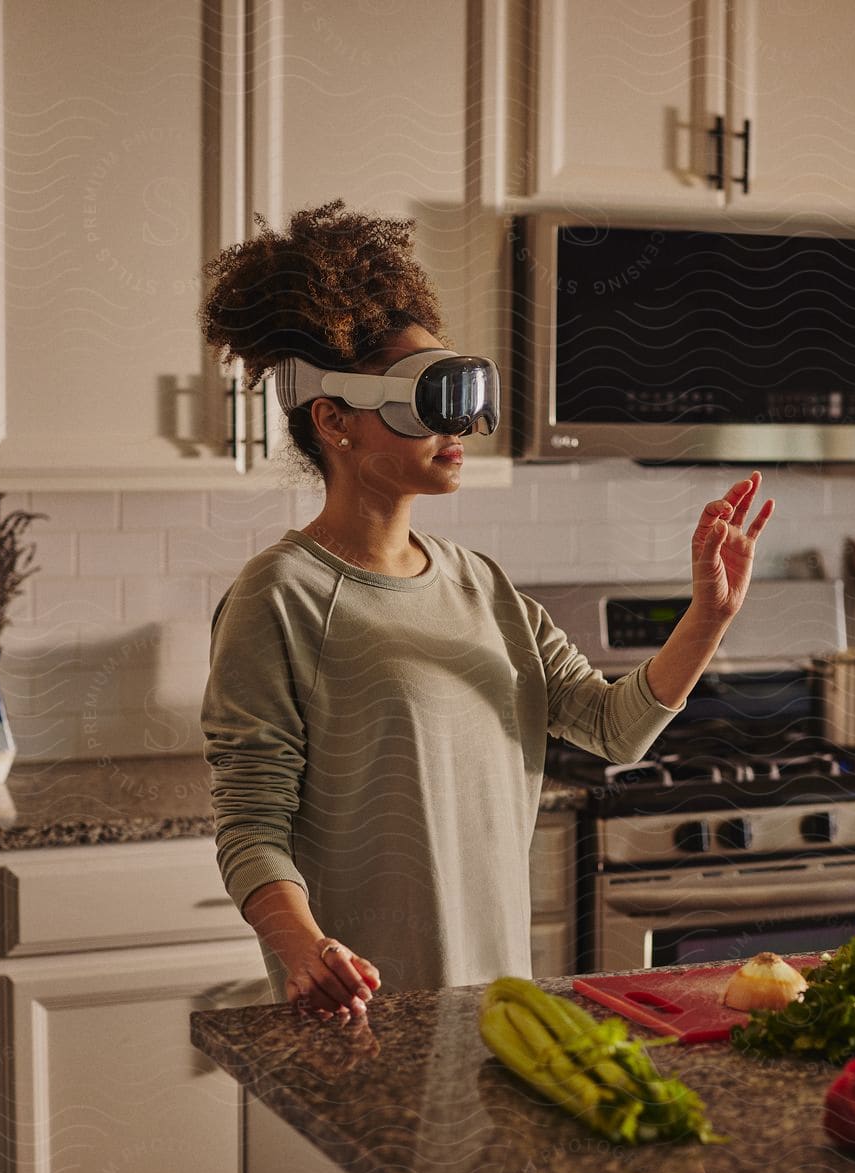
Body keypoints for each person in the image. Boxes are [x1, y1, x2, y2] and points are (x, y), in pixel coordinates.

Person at [196, 201, 773, 1024]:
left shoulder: (484, 586)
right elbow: (250, 824)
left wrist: (709, 616)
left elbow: (615, 728)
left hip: (495, 1004)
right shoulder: (278, 596)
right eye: (431, 398)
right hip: (365, 1009)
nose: (463, 423)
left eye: (467, 392)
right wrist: (303, 948)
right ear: (335, 419)